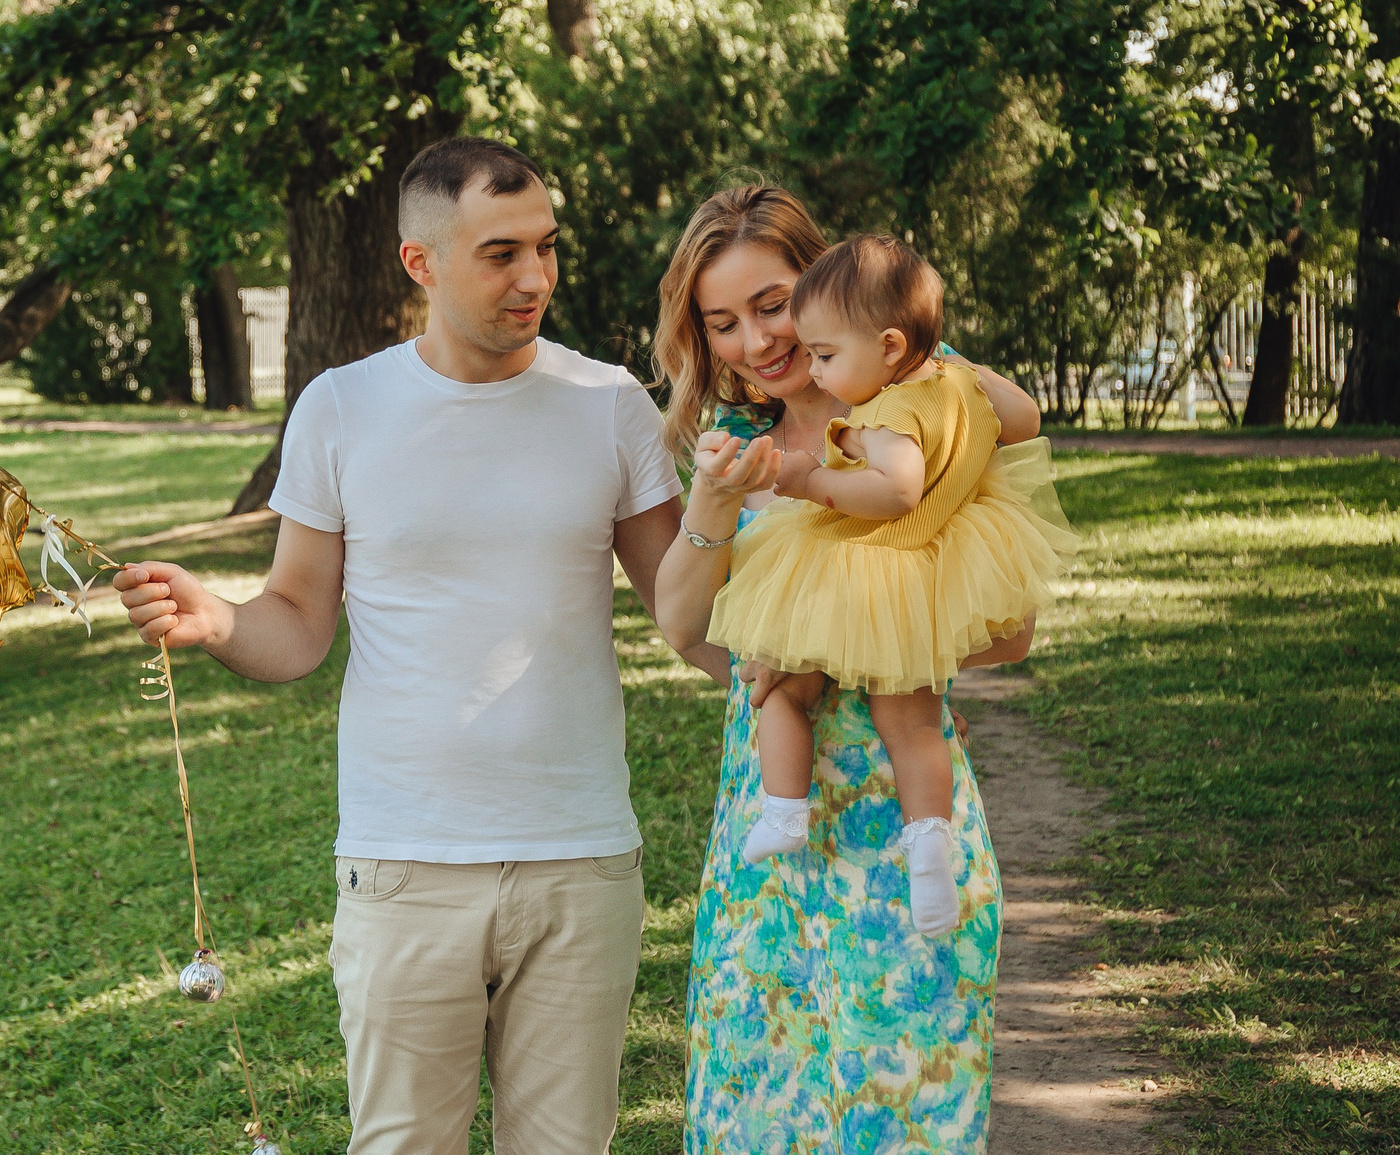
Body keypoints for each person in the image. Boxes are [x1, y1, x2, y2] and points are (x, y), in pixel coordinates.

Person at [113, 135, 683, 1155]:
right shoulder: (341, 409)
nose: (536, 278)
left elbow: (691, 617)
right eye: (500, 253)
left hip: (580, 859)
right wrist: (216, 620)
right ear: (420, 263)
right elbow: (294, 623)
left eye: (547, 248)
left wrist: (832, 632)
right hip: (403, 866)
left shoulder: (609, 405)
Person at [650, 185, 1043, 1153]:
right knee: (759, 1108)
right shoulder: (733, 448)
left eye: (774, 303)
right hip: (767, 830)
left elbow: (1009, 634)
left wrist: (831, 640)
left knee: (899, 1113)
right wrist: (709, 499)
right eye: (723, 321)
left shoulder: (920, 426)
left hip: (899, 824)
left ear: (824, 288)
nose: (758, 341)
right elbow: (680, 625)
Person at [706, 234, 1071, 935]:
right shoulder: (931, 395)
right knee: (882, 715)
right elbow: (1022, 419)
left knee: (796, 684)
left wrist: (814, 478)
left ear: (890, 344)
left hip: (873, 573)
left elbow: (904, 491)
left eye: (822, 348)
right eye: (723, 323)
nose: (807, 361)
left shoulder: (897, 407)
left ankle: (791, 811)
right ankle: (918, 842)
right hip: (898, 592)